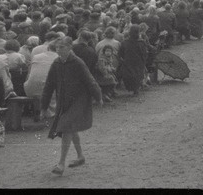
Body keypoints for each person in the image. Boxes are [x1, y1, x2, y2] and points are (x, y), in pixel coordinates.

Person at [40, 37, 103, 176]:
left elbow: (90, 80)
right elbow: (49, 85)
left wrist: (98, 96)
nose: (58, 49)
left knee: (67, 126)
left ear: (69, 48)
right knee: (71, 128)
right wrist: (44, 107)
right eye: (57, 47)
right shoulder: (56, 63)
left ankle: (61, 163)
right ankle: (80, 156)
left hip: (79, 99)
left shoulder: (78, 62)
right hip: (64, 101)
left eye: (61, 47)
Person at [118, 25, 148, 96]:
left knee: (129, 75)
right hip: (138, 62)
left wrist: (122, 60)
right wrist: (144, 61)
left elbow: (120, 54)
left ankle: (132, 88)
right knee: (138, 75)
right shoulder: (141, 42)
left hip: (128, 62)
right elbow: (144, 53)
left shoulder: (124, 42)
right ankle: (136, 88)